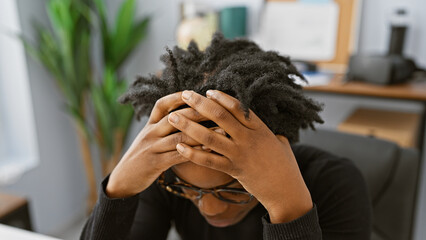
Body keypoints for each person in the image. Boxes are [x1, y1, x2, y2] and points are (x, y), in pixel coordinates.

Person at [80, 33, 371, 240]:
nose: (210, 208)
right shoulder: (169, 178)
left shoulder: (336, 184)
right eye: (191, 190)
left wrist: (288, 208)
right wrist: (118, 188)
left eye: (233, 189)